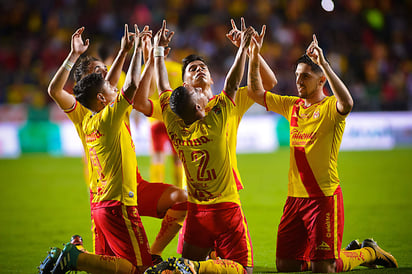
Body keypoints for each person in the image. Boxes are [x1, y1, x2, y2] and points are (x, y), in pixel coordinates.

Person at [247, 33, 398, 272]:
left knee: (323, 269)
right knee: (285, 266)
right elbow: (255, 93)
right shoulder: (292, 106)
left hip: (323, 199)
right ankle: (334, 254)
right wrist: (253, 55)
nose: (299, 81)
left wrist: (325, 64)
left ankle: (368, 252)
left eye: (305, 76)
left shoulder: (330, 108)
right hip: (294, 199)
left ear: (321, 81)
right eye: (297, 75)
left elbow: (347, 103)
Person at [45, 25, 187, 265]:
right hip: (108, 193)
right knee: (113, 264)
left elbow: (122, 87)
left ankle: (149, 254)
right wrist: (75, 56)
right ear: (89, 85)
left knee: (181, 199)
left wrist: (142, 55)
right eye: (99, 74)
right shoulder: (86, 112)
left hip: (132, 183)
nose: (108, 77)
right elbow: (57, 90)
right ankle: (79, 257)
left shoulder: (105, 102)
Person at [143, 20, 255, 274]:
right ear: (197, 106)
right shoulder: (216, 119)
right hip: (226, 207)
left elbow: (163, 87)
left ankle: (180, 266)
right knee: (243, 270)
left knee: (189, 263)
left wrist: (157, 53)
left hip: (196, 211)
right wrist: (243, 50)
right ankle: (195, 266)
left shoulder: (173, 122)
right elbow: (233, 82)